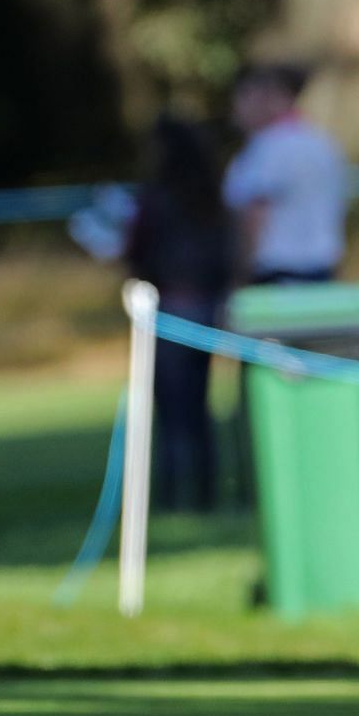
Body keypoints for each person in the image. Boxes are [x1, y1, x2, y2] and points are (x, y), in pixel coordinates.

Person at [126, 116, 233, 513]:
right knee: (197, 406)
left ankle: (173, 495)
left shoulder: (157, 197)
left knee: (172, 409)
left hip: (171, 307)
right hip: (205, 305)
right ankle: (204, 492)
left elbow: (138, 250)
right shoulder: (212, 196)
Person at [223, 65, 348, 285]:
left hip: (276, 277)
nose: (237, 106)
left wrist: (239, 277)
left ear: (270, 98)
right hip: (322, 272)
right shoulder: (322, 142)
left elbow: (255, 215)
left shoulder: (268, 147)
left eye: (245, 96)